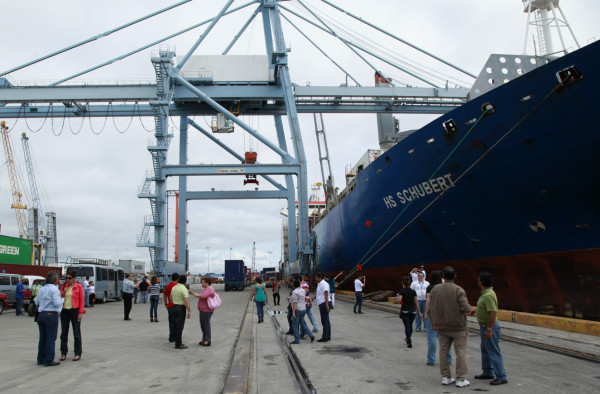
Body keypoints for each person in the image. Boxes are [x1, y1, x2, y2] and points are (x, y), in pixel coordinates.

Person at [430, 266, 471, 388]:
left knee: (443, 352)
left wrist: (434, 323)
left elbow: (432, 307)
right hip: (458, 327)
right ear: (455, 276)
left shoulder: (435, 289)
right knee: (460, 352)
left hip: (442, 327)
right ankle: (460, 378)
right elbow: (466, 308)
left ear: (443, 277)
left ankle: (446, 377)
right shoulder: (459, 290)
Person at [469, 271, 508, 386]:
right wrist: (476, 310)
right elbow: (484, 305)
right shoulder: (485, 293)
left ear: (481, 282)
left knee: (493, 351)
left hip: (488, 327)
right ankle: (488, 371)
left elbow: (493, 312)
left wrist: (489, 329)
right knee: (485, 349)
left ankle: (501, 376)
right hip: (484, 326)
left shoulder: (489, 295)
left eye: (478, 280)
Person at [35, 271, 64, 367]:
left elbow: (37, 302)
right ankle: (48, 360)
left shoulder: (41, 289)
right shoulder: (54, 289)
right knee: (51, 338)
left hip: (41, 314)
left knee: (42, 338)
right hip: (51, 315)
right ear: (56, 281)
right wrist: (62, 299)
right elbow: (57, 303)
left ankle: (41, 359)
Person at [424, 270, 451, 366]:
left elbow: (428, 302)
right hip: (444, 314)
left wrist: (426, 314)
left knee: (431, 337)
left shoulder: (430, 288)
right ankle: (448, 360)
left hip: (433, 315)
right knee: (446, 338)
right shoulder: (445, 287)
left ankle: (431, 360)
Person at [59, 270, 86, 361]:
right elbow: (58, 297)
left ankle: (77, 353)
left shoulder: (78, 287)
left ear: (74, 278)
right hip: (64, 311)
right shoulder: (63, 287)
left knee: (76, 333)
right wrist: (63, 292)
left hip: (75, 310)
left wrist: (80, 312)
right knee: (64, 333)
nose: (67, 280)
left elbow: (82, 299)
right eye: (66, 278)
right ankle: (63, 352)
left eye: (69, 278)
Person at [395, 275, 420, 348]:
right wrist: (419, 311)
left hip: (405, 310)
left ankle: (409, 341)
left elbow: (399, 300)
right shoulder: (413, 291)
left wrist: (397, 301)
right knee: (410, 325)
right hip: (413, 311)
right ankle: (408, 338)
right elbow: (416, 302)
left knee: (407, 326)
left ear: (402, 283)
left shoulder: (402, 291)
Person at [190, 277, 215, 346]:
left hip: (206, 310)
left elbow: (203, 296)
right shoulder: (206, 289)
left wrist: (194, 294)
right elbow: (200, 295)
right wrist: (194, 294)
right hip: (203, 310)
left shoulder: (209, 289)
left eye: (203, 282)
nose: (202, 283)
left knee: (206, 324)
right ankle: (204, 338)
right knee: (203, 324)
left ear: (207, 283)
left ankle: (207, 339)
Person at [289, 279, 315, 344]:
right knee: (303, 323)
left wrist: (293, 312)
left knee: (295, 325)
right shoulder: (303, 290)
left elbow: (295, 303)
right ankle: (311, 335)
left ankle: (297, 340)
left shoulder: (294, 292)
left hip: (297, 309)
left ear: (294, 285)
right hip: (303, 309)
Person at [171, 275, 191, 349]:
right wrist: (189, 311)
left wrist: (175, 303)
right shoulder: (184, 289)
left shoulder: (174, 287)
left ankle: (177, 342)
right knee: (180, 327)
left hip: (174, 307)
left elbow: (171, 298)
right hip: (180, 308)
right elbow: (186, 301)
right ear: (185, 281)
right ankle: (178, 344)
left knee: (175, 326)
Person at [314, 272, 331, 342]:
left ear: (320, 278)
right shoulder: (320, 284)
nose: (315, 279)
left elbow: (326, 294)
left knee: (324, 320)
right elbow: (320, 293)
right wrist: (315, 297)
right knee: (326, 320)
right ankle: (328, 335)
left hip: (324, 303)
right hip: (322, 303)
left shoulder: (324, 284)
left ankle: (325, 337)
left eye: (316, 278)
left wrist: (327, 305)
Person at [163, 272, 180, 343]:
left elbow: (164, 295)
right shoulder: (177, 286)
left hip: (169, 306)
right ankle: (173, 338)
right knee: (175, 323)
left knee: (171, 322)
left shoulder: (168, 285)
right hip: (175, 306)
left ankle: (171, 336)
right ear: (178, 278)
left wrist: (166, 304)